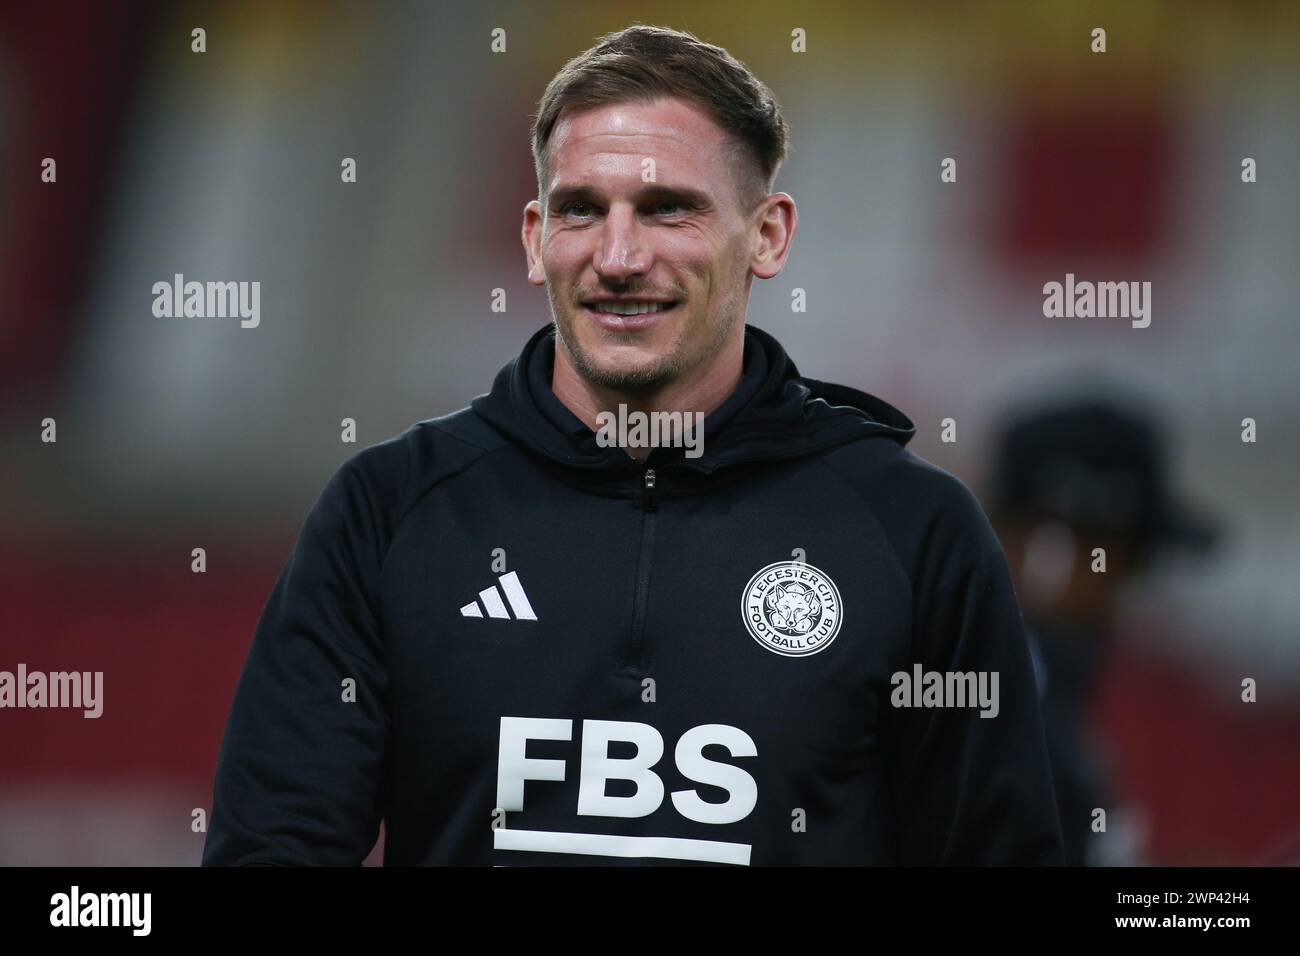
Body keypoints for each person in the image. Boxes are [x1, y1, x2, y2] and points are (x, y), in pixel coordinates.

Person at [202, 24, 1062, 866]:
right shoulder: (391, 509)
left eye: (668, 210)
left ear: (767, 235)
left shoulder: (913, 529)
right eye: (583, 210)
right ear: (537, 239)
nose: (619, 258)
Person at [988, 396, 1218, 865]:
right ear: (1049, 548)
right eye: (1129, 560)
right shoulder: (1012, 728)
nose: (1131, 593)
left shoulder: (1025, 699)